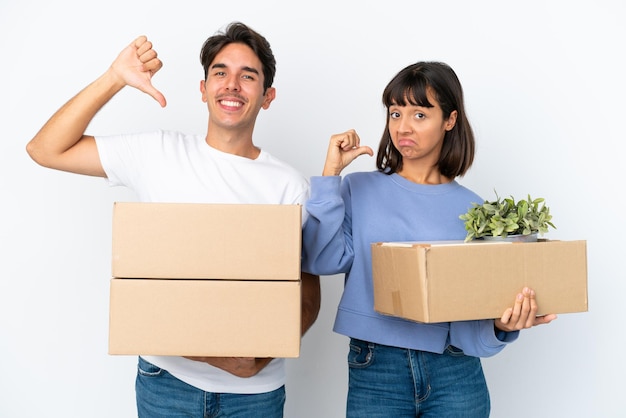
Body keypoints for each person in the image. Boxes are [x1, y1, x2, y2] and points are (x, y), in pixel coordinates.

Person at [26, 22, 320, 418]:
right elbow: (45, 149)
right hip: (165, 384)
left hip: (254, 396)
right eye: (220, 72)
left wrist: (260, 358)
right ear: (203, 89)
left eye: (247, 76)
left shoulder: (289, 186)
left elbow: (307, 294)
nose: (231, 85)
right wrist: (114, 78)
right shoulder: (157, 153)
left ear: (267, 97)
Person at [301, 61, 557, 417]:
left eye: (420, 115)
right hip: (377, 367)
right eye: (395, 113)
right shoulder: (356, 189)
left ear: (449, 120)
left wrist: (501, 326)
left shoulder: (475, 211)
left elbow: (473, 324)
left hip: (456, 372)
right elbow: (319, 259)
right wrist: (330, 176)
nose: (403, 127)